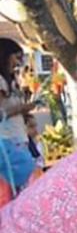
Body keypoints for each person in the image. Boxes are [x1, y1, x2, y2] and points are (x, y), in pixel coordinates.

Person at [0, 40, 35, 190]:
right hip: (9, 140)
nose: (18, 61)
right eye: (16, 56)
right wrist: (21, 108)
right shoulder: (1, 81)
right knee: (19, 186)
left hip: (18, 136)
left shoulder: (11, 80)